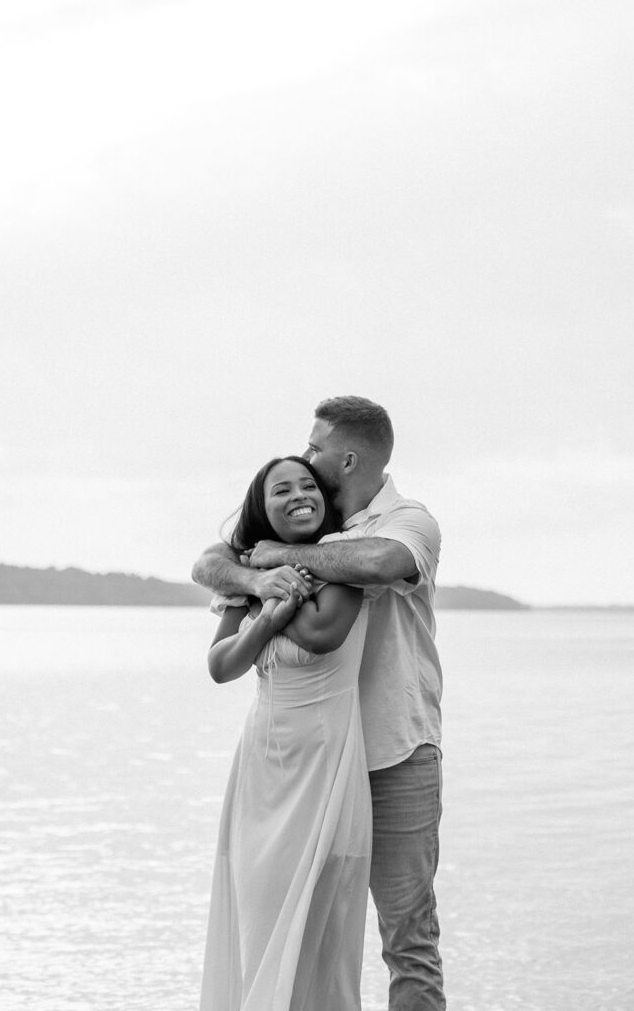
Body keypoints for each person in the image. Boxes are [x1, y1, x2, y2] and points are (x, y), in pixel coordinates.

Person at [193, 396, 446, 1011]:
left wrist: (278, 560)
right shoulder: (308, 522)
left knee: (406, 935)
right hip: (303, 761)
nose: (306, 459)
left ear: (348, 457)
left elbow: (380, 563)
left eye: (315, 450)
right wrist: (256, 578)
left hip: (393, 752)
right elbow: (210, 563)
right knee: (293, 922)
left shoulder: (406, 521)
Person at [199, 455, 372, 1011]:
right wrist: (267, 608)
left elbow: (324, 633)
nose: (299, 495)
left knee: (320, 935)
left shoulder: (344, 561)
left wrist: (282, 584)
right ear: (262, 506)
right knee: (259, 921)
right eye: (282, 489)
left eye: (308, 485)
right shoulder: (252, 580)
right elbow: (221, 665)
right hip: (261, 773)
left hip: (326, 765)